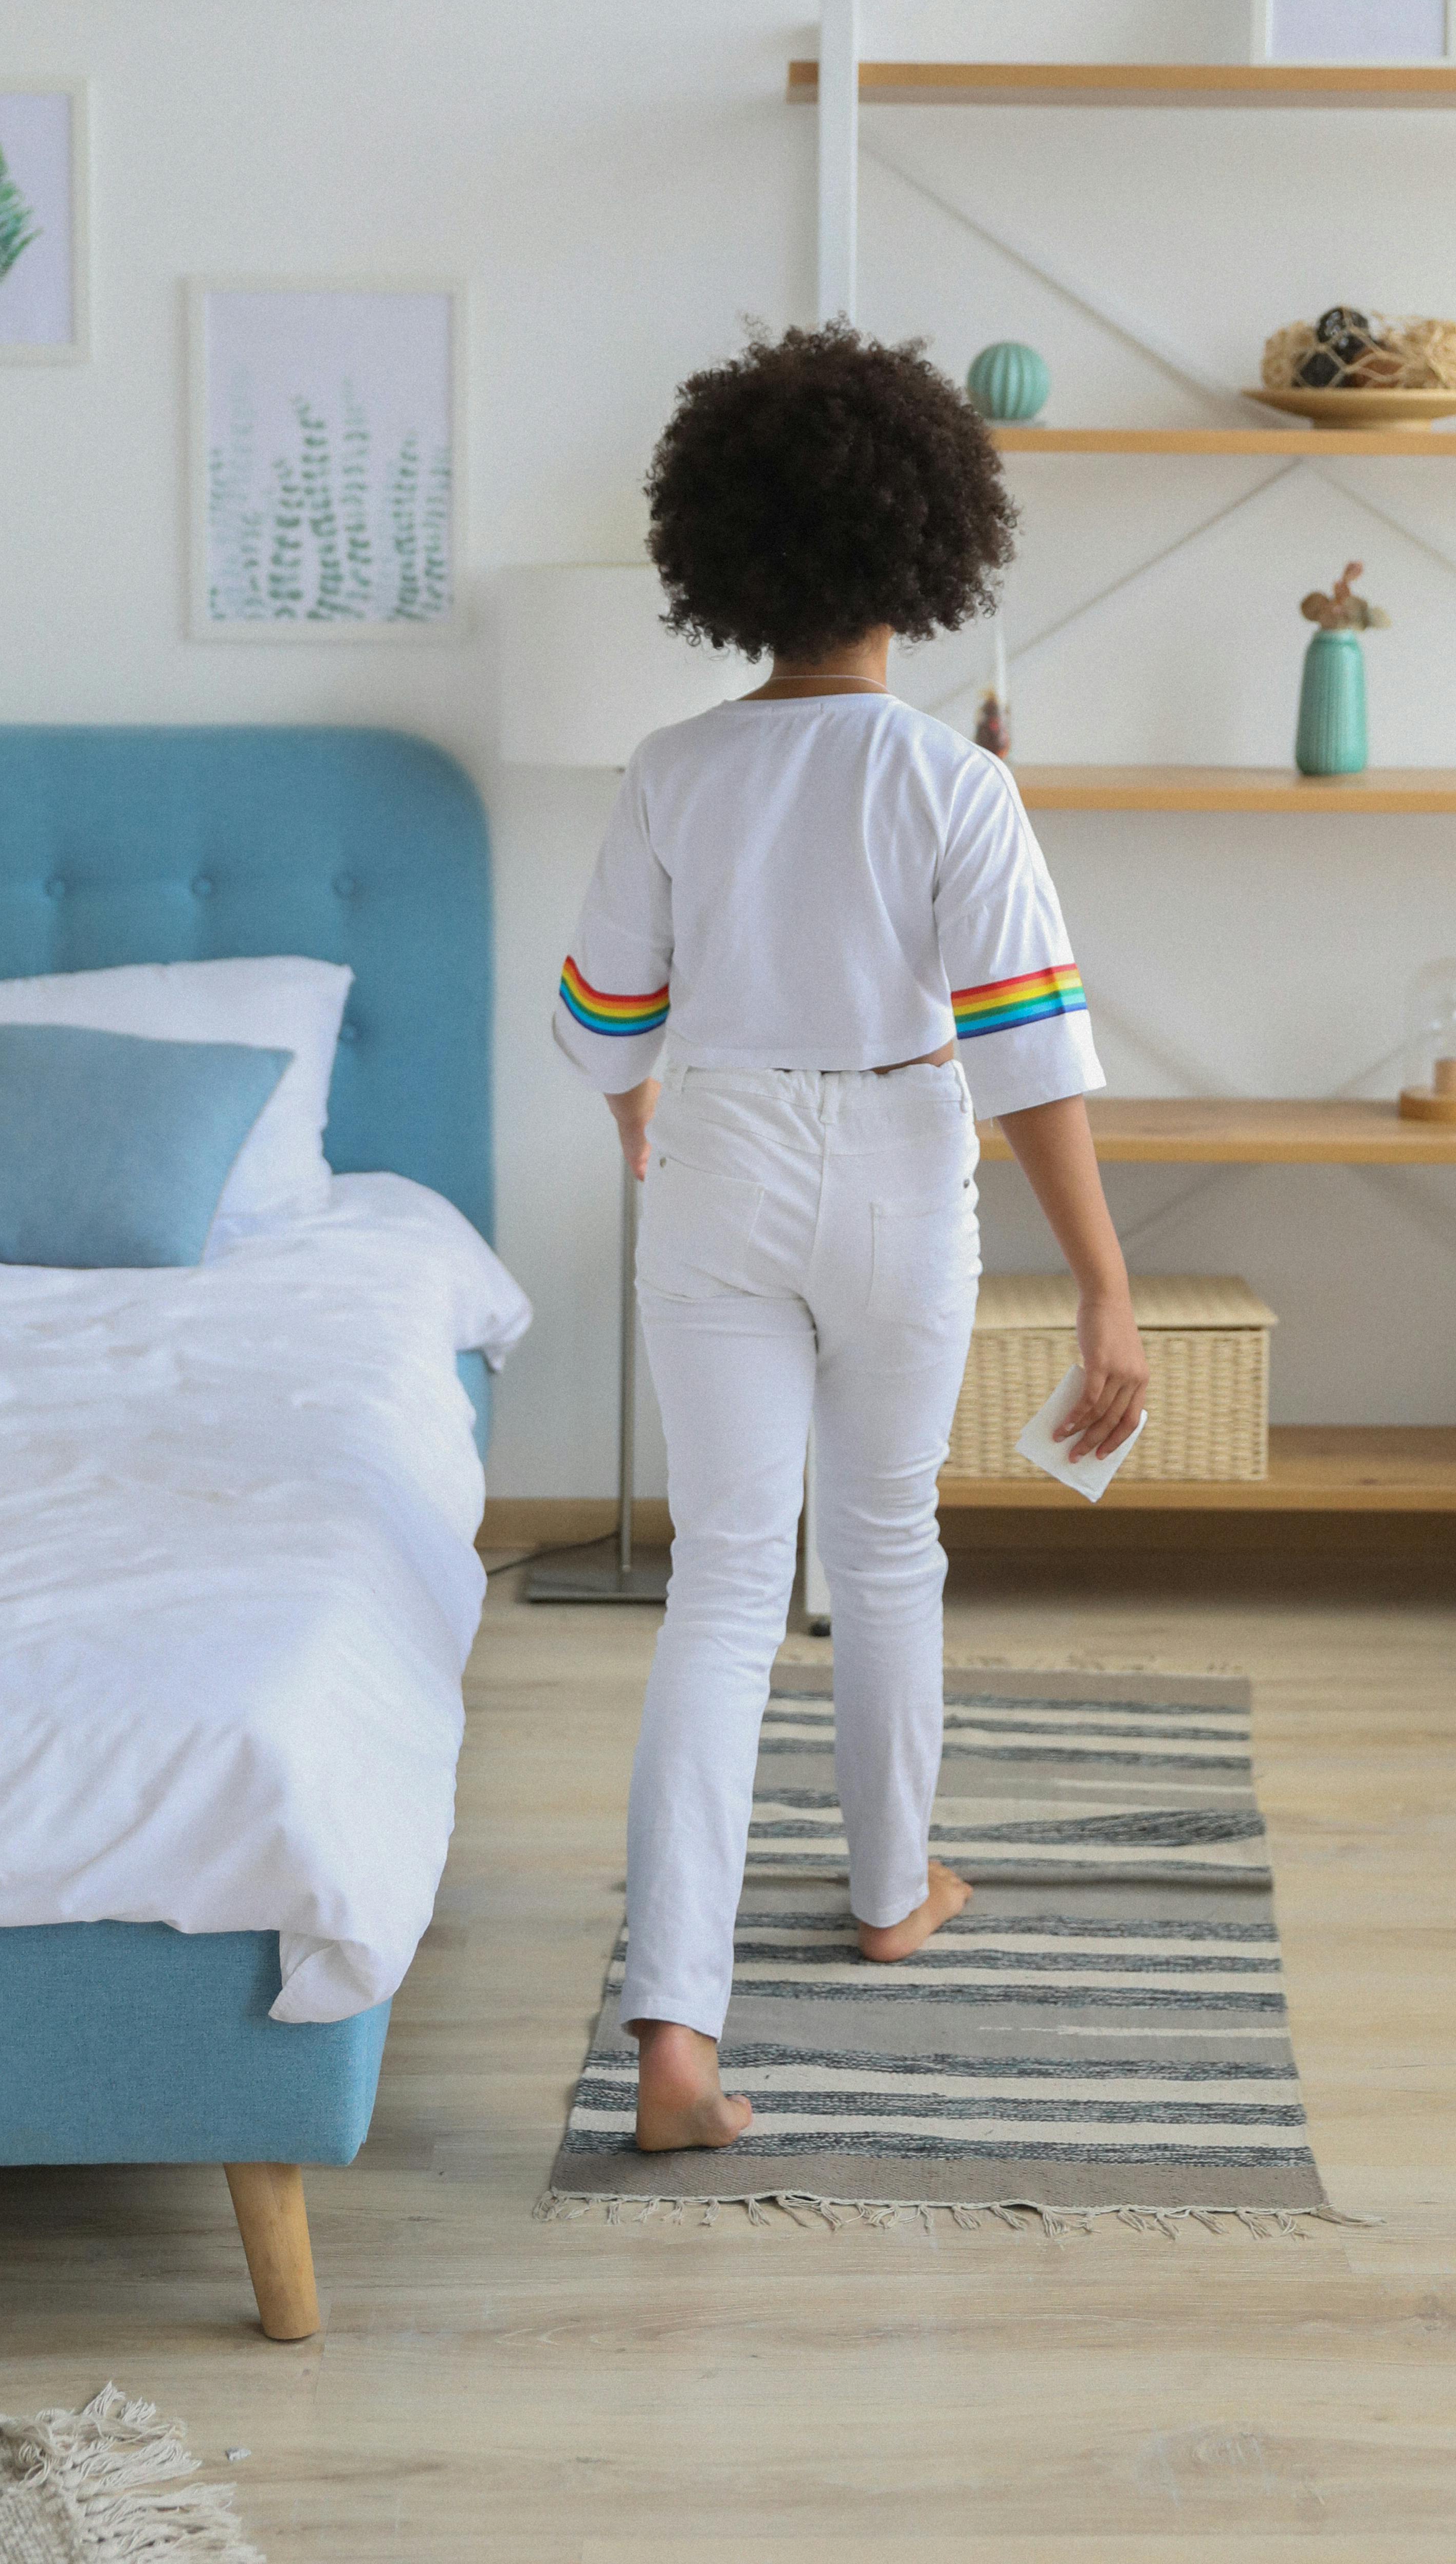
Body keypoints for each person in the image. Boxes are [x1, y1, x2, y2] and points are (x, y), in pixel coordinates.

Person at [550, 323, 1148, 2153]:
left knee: (727, 1585)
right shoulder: (956, 785)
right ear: (928, 549)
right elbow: (1028, 1052)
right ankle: (891, 1895)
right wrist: (1108, 1288)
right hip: (901, 1152)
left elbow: (600, 1021)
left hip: (715, 1159)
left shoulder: (669, 769)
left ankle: (675, 2036)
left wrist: (647, 1110)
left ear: (725, 554)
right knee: (885, 1541)